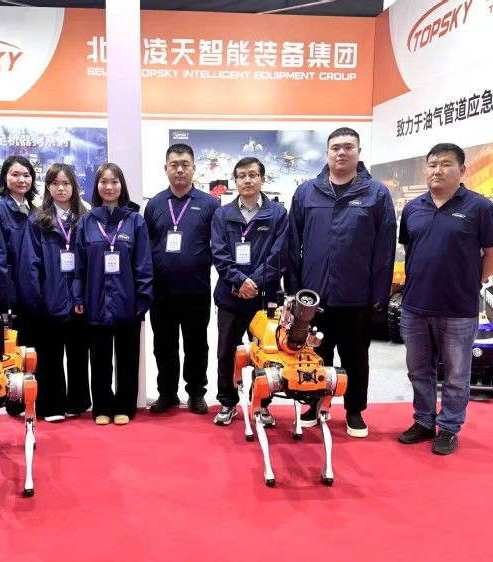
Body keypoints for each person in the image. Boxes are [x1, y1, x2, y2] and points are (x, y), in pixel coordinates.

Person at [286, 127, 396, 438]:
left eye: (349, 147)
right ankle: (313, 404)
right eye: (336, 147)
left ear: (359, 152)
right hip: (314, 296)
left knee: (356, 357)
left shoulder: (376, 194)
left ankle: (354, 410)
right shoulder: (306, 192)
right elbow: (293, 244)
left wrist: (379, 293)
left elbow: (385, 248)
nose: (342, 152)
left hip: (356, 295)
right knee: (313, 356)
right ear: (327, 153)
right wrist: (294, 289)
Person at [397, 143, 493, 455]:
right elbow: (410, 250)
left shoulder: (480, 208)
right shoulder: (413, 208)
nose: (437, 170)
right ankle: (424, 421)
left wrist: (472, 281)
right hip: (415, 305)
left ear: (462, 170)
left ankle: (449, 427)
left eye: (445, 164)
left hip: (458, 308)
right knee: (419, 371)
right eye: (432, 164)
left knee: (457, 374)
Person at [73, 163, 153, 426]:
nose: (109, 187)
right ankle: (102, 407)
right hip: (95, 300)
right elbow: (79, 265)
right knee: (99, 359)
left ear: (122, 186)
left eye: (114, 181)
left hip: (128, 301)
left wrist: (143, 297)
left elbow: (143, 263)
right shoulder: (86, 221)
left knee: (128, 358)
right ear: (96, 186)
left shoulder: (135, 221)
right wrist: (78, 297)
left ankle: (125, 406)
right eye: (103, 182)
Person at [211, 157, 288, 426]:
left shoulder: (278, 214)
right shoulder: (222, 215)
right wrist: (239, 282)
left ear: (262, 179)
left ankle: (262, 405)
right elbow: (219, 253)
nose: (247, 180)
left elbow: (279, 255)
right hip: (230, 296)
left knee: (265, 354)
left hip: (264, 298)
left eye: (253, 175)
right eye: (241, 175)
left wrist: (254, 282)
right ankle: (227, 402)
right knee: (227, 352)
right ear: (235, 181)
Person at [144, 143, 220, 415]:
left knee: (196, 345)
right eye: (174, 165)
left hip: (196, 289)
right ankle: (167, 393)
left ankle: (196, 393)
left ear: (193, 168)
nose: (179, 170)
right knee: (163, 345)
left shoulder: (210, 204)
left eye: (185, 164)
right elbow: (148, 246)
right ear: (165, 168)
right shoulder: (154, 204)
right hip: (161, 291)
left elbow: (218, 245)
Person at [20, 163, 90, 423]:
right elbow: (30, 264)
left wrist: (86, 296)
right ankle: (51, 405)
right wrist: (37, 300)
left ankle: (79, 402)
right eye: (55, 183)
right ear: (48, 187)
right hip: (49, 300)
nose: (61, 188)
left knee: (78, 353)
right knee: (50, 356)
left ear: (74, 187)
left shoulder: (85, 219)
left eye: (66, 183)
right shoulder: (38, 221)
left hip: (80, 300)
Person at [0, 155, 37, 344]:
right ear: (5, 177)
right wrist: (10, 295)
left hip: (34, 296)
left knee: (33, 351)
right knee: (10, 350)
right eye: (15, 174)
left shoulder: (36, 212)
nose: (22, 180)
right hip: (9, 298)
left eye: (26, 175)